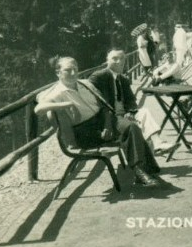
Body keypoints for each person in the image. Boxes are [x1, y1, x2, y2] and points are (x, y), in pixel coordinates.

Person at [36, 56, 161, 186]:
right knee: (130, 131)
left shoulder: (86, 84)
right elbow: (38, 109)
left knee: (131, 127)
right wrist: (66, 105)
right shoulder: (56, 93)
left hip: (105, 120)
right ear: (58, 73)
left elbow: (104, 106)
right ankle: (142, 171)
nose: (73, 73)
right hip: (85, 131)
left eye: (75, 69)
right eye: (68, 70)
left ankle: (139, 170)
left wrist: (107, 126)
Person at [88, 49, 164, 148]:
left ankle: (158, 143)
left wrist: (131, 111)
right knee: (139, 129)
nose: (119, 62)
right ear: (107, 60)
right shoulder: (99, 76)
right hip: (110, 119)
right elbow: (91, 98)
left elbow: (131, 100)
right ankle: (147, 154)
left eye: (122, 59)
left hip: (124, 114)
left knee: (144, 112)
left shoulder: (123, 79)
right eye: (114, 58)